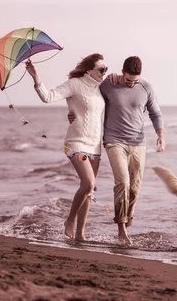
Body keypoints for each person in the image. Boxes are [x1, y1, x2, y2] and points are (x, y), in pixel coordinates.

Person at [69, 55, 165, 245]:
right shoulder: (108, 84)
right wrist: (73, 111)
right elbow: (86, 94)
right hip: (114, 141)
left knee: (135, 188)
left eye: (135, 81)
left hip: (138, 142)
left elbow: (155, 113)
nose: (131, 84)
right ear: (122, 73)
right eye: (128, 80)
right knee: (123, 182)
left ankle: (127, 217)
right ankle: (121, 230)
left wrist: (161, 135)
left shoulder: (146, 87)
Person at [26, 53, 108, 241]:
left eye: (106, 69)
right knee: (88, 183)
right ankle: (69, 220)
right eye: (101, 69)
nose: (104, 73)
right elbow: (48, 97)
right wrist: (35, 76)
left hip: (95, 146)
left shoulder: (100, 88)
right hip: (76, 142)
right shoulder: (74, 84)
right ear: (89, 70)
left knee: (89, 190)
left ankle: (80, 234)